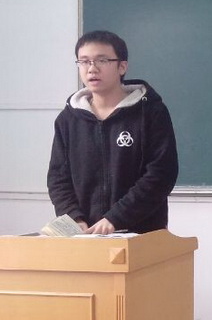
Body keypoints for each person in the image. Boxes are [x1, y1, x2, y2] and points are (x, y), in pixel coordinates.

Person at [47, 30, 178, 234]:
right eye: (84, 61)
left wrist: (116, 218)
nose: (92, 69)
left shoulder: (150, 113)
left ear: (122, 66)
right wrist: (74, 218)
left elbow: (161, 173)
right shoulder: (68, 119)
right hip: (85, 236)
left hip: (141, 234)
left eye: (102, 60)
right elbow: (58, 178)